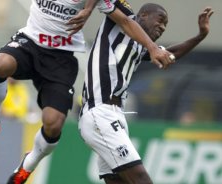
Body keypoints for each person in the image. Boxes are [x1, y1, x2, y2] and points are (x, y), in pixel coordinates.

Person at [0, 0, 174, 183]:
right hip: (31, 42)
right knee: (1, 64)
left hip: (61, 59)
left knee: (53, 123)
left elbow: (127, 21)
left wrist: (152, 47)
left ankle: (28, 164)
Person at [78, 2, 213, 184]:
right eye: (160, 20)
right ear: (143, 15)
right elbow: (123, 18)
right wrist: (87, 9)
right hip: (99, 112)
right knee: (141, 178)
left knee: (119, 181)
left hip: (115, 116)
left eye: (165, 25)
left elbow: (171, 55)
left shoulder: (141, 46)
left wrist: (200, 36)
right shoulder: (119, 20)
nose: (163, 27)